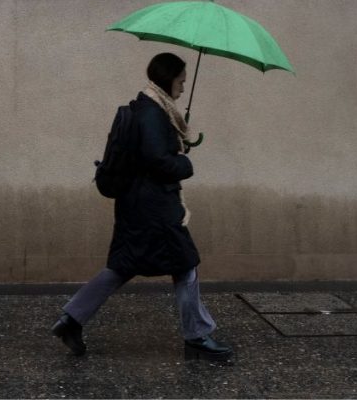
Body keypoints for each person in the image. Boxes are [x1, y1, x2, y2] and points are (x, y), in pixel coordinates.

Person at [51, 52, 233, 361]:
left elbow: (151, 152)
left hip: (136, 204)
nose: (183, 87)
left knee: (123, 265)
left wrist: (174, 141)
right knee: (185, 264)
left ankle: (71, 319)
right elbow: (156, 160)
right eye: (181, 81)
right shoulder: (152, 113)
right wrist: (184, 161)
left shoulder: (149, 109)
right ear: (168, 79)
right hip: (154, 208)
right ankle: (198, 337)